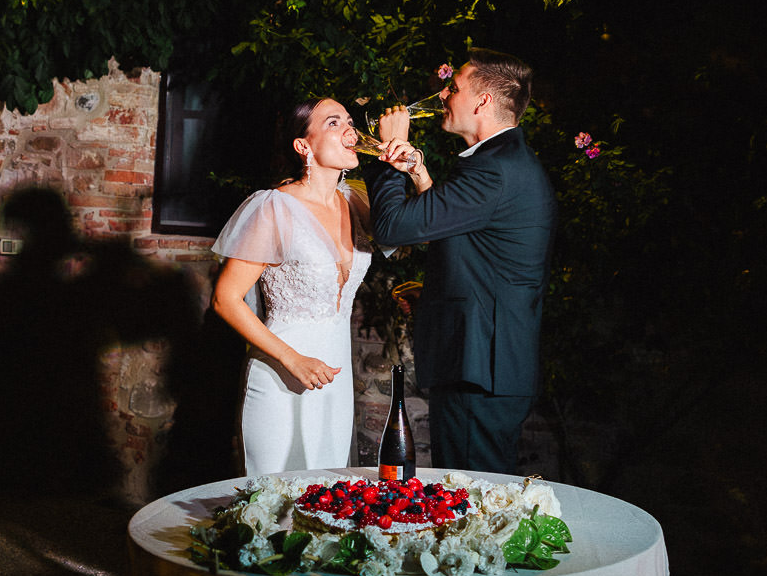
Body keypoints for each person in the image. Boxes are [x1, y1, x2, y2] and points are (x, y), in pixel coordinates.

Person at [365, 50, 558, 476]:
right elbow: (455, 229)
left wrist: (388, 152)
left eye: (453, 88)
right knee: (471, 494)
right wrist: (418, 176)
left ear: (483, 101)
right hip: (483, 367)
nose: (443, 96)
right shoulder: (502, 163)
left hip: (480, 369)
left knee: (471, 501)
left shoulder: (495, 170)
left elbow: (393, 227)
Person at [211, 97, 372, 475]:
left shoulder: (358, 201)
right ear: (304, 145)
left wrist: (413, 169)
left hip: (335, 374)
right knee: (275, 501)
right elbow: (226, 299)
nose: (350, 131)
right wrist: (292, 359)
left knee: (329, 500)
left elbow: (424, 231)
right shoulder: (273, 208)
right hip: (282, 370)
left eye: (350, 121)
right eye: (334, 123)